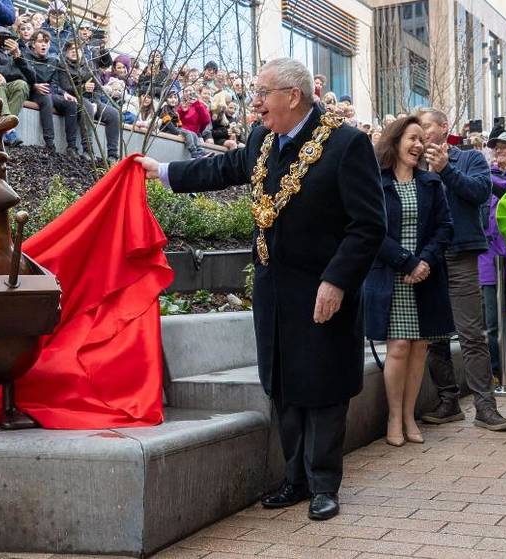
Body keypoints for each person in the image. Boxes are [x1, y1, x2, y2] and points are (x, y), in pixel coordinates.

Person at [137, 58, 386, 521]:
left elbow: (369, 225)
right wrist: (163, 172)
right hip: (274, 290)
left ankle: (325, 484)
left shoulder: (347, 145)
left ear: (292, 96)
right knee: (284, 384)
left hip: (323, 291)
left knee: (324, 386)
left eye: (262, 92)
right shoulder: (262, 138)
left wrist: (336, 280)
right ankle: (294, 479)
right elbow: (225, 168)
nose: (254, 103)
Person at [417, 107, 506, 431]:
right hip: (429, 258)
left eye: (426, 126)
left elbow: (479, 193)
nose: (422, 132)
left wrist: (445, 170)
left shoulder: (470, 159)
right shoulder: (413, 164)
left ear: (444, 128)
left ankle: (485, 407)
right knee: (435, 335)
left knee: (471, 333)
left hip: (461, 255)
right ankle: (448, 401)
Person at [364, 116, 455, 447]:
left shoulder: (432, 184)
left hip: (424, 278)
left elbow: (445, 228)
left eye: (422, 140)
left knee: (419, 348)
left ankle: (408, 417)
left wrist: (424, 262)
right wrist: (407, 261)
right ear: (396, 140)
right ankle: (393, 417)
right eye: (412, 138)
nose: (418, 145)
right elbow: (370, 230)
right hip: (392, 276)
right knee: (399, 346)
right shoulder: (376, 182)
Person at [480, 132, 506, 386]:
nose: (498, 151)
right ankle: (499, 373)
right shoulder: (486, 178)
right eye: (496, 147)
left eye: (505, 146)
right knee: (493, 324)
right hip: (489, 261)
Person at [57, 38, 120, 164]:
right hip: (74, 99)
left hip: (92, 100)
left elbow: (97, 87)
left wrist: (96, 102)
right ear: (66, 52)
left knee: (114, 114)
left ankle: (113, 155)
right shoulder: (62, 65)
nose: (75, 52)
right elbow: (65, 87)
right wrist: (82, 88)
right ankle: (88, 150)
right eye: (71, 49)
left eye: (77, 49)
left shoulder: (89, 65)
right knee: (87, 107)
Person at [24, 28, 78, 155]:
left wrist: (63, 93)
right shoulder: (25, 57)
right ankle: (49, 144)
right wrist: (34, 86)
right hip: (33, 92)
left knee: (71, 103)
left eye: (46, 42)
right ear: (33, 44)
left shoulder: (53, 61)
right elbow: (21, 77)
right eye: (40, 41)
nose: (44, 44)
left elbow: (54, 83)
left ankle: (71, 147)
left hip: (50, 92)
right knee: (46, 98)